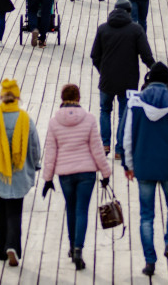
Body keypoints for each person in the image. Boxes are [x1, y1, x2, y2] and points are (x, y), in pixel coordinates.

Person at [121, 62, 168, 276]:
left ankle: (149, 261)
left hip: (144, 166)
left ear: (148, 80)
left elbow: (127, 135)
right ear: (166, 81)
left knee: (146, 215)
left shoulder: (135, 102)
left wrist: (128, 164)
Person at [42, 83, 112, 271]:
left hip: (65, 174)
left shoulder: (54, 121)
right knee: (82, 210)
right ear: (78, 98)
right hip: (86, 173)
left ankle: (72, 245)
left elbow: (50, 152)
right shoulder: (88, 119)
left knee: (71, 209)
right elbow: (97, 149)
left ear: (62, 99)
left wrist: (47, 178)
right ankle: (78, 248)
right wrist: (106, 172)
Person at [0, 79, 42, 268]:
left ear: (2, 96)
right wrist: (35, 164)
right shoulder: (25, 119)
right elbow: (35, 146)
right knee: (15, 211)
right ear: (17, 97)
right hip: (19, 174)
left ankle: (1, 250)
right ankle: (12, 246)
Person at [91, 0, 155, 158]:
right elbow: (146, 56)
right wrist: (157, 70)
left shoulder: (103, 29)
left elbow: (95, 56)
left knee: (104, 110)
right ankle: (120, 150)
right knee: (123, 114)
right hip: (129, 80)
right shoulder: (136, 30)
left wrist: (103, 70)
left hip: (107, 80)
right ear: (129, 12)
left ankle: (105, 144)